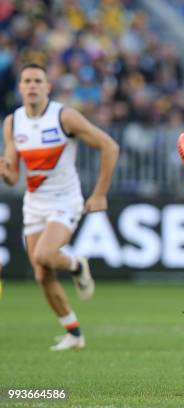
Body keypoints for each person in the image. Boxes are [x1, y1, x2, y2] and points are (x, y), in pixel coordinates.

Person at [0, 63, 119, 351]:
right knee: (42, 273)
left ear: (47, 87)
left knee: (44, 254)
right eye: (26, 81)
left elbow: (109, 146)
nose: (31, 85)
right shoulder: (13, 123)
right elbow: (15, 174)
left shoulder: (64, 117)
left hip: (65, 201)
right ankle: (74, 333)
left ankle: (78, 265)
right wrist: (5, 171)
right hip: (34, 204)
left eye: (37, 80)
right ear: (20, 88)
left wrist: (100, 194)